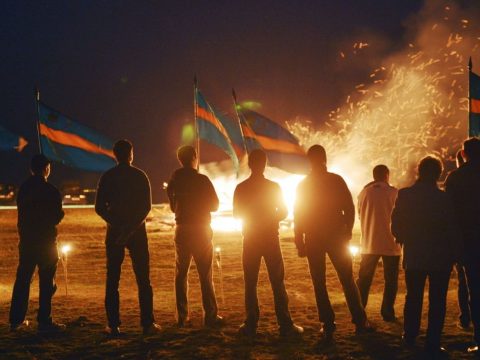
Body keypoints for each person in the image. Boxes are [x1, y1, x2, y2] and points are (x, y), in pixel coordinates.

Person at [294, 145, 374, 344]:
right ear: (324, 158)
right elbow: (348, 206)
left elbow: (299, 214)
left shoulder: (304, 184)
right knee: (347, 278)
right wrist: (347, 230)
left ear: (310, 161)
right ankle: (360, 321)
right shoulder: (335, 180)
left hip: (314, 237)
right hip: (336, 235)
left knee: (319, 282)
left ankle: (328, 324)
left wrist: (299, 240)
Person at [233, 149, 303, 337]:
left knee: (250, 282)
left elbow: (237, 214)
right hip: (270, 238)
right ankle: (285, 324)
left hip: (250, 238)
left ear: (250, 164)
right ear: (264, 164)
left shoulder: (241, 188)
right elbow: (284, 211)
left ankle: (250, 324)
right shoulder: (273, 187)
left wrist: (253, 219)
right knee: (277, 282)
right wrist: (271, 219)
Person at [391, 156, 458, 356]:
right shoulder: (444, 198)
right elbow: (452, 228)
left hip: (415, 255)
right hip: (440, 257)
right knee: (438, 300)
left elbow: (395, 224)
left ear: (419, 172)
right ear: (438, 174)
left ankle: (410, 336)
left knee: (413, 297)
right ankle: (433, 341)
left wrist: (404, 239)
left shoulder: (405, 195)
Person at [95, 139, 160, 336]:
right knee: (143, 279)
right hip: (138, 232)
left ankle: (113, 325)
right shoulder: (140, 176)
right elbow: (146, 207)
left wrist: (118, 226)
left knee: (112, 279)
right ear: (131, 154)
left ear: (114, 155)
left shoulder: (108, 176)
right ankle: (147, 324)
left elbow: (99, 208)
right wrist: (131, 228)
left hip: (114, 232)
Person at [166, 145, 223, 328]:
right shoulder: (202, 180)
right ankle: (210, 316)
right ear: (193, 157)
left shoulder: (174, 181)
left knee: (180, 274)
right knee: (205, 275)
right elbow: (215, 205)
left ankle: (182, 317)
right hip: (200, 229)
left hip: (181, 229)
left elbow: (173, 207)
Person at [9, 154, 65, 334]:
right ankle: (44, 320)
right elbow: (56, 217)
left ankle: (16, 320)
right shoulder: (51, 190)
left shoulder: (24, 189)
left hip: (27, 241)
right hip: (47, 242)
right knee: (47, 282)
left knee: (23, 281)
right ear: (47, 168)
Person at [445, 138, 480, 354]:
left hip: (468, 241)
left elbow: (448, 212)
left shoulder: (456, 177)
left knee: (474, 288)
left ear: (464, 154)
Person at [356, 165, 400, 322]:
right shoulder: (394, 192)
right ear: (387, 175)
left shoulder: (364, 193)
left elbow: (359, 215)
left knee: (364, 279)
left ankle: (359, 312)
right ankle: (387, 311)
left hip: (369, 242)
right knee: (391, 280)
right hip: (391, 242)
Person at [452, 149, 471, 330]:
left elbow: (448, 210)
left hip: (464, 239)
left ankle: (465, 317)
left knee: (465, 282)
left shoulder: (455, 178)